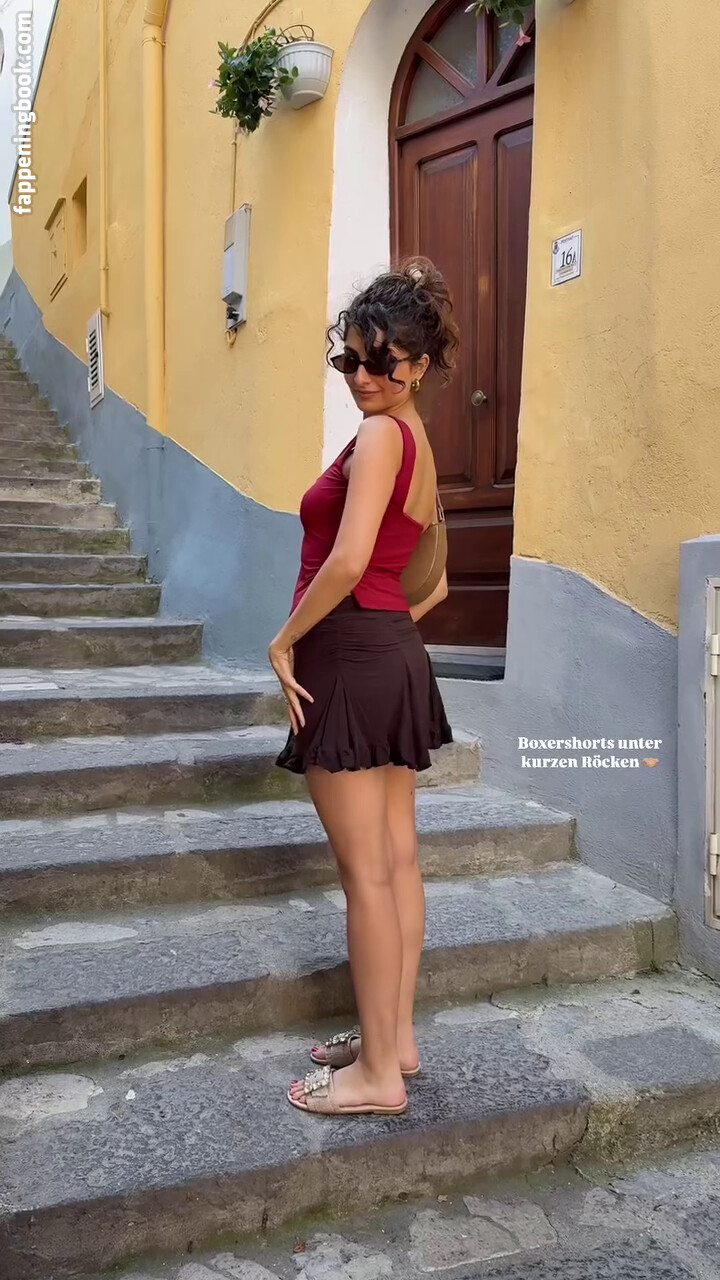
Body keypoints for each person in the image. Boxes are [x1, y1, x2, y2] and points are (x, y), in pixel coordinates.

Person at [269, 257, 458, 1117]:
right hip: (388, 651)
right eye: (349, 359)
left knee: (367, 876)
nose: (362, 377)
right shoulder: (414, 440)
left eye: (382, 362)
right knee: (396, 860)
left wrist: (285, 640)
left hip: (348, 656)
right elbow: (435, 584)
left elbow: (347, 561)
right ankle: (395, 1041)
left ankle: (378, 1076)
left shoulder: (381, 437)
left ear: (418, 364)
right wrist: (385, 632)